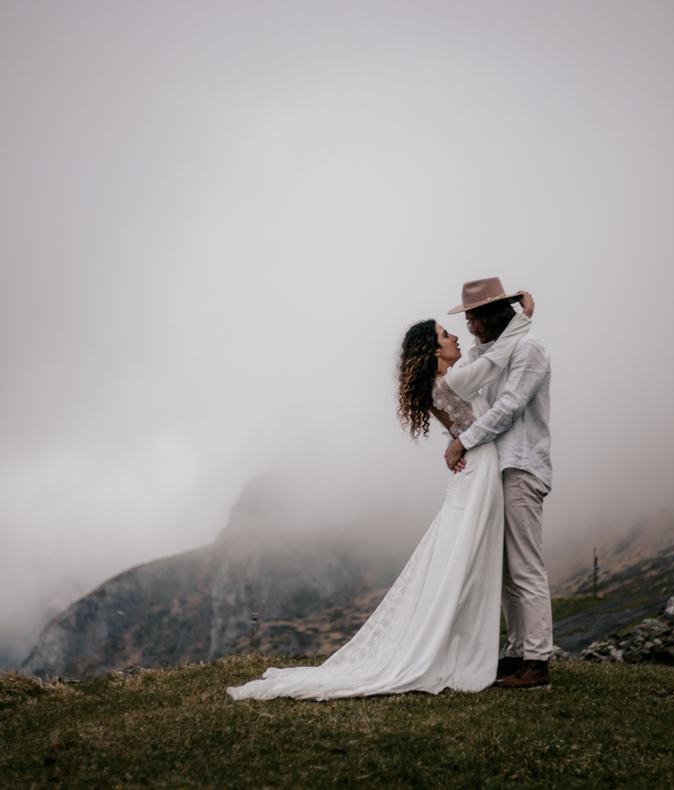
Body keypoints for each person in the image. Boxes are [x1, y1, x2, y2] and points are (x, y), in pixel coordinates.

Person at [226, 291, 536, 701]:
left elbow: (484, 360)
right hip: (478, 473)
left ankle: (464, 645)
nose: (456, 337)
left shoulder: (444, 380)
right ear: (434, 350)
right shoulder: (454, 380)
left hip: (476, 470)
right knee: (469, 559)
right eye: (447, 335)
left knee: (469, 558)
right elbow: (493, 362)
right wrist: (525, 319)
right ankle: (461, 649)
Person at [443, 277, 553, 689]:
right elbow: (472, 380)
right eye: (466, 318)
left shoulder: (529, 349)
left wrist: (463, 442)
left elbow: (508, 408)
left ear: (493, 314)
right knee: (506, 568)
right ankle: (518, 653)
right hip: (498, 468)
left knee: (525, 564)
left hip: (521, 466)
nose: (469, 326)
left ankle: (538, 662)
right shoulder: (491, 352)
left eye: (474, 317)